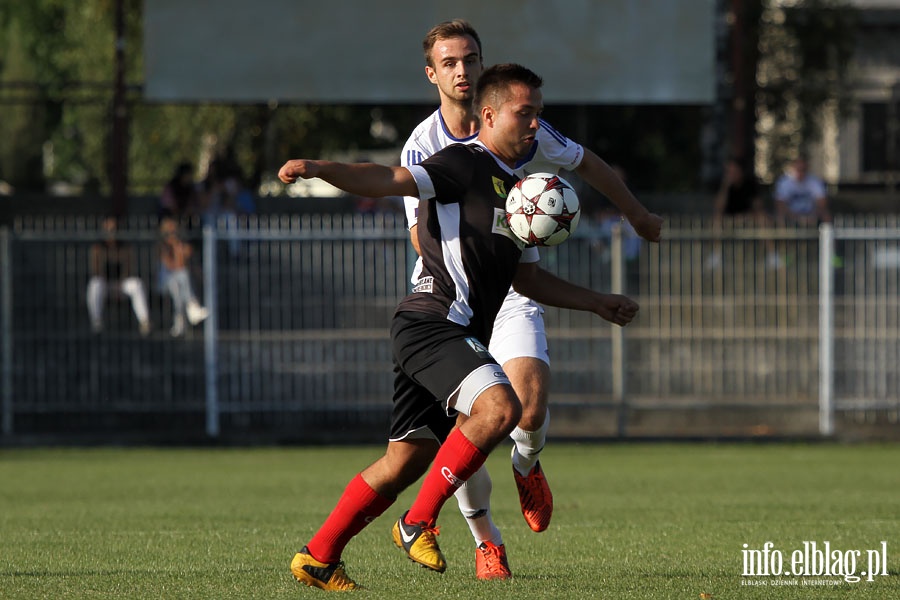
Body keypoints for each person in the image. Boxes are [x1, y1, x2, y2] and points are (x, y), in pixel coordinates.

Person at [278, 63, 641, 591]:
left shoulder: (519, 192)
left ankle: (318, 556)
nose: (536, 124)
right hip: (432, 323)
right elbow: (388, 178)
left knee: (403, 462)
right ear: (489, 115)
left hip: (443, 331)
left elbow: (528, 280)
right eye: (526, 113)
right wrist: (318, 167)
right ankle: (418, 523)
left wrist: (598, 303)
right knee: (501, 407)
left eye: (540, 114)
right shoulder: (462, 163)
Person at [397, 20, 663, 580]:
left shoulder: (520, 121)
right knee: (473, 424)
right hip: (451, 296)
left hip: (511, 286)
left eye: (470, 58)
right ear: (433, 74)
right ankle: (486, 542)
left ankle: (528, 462)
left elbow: (585, 161)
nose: (462, 70)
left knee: (530, 409)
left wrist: (635, 211)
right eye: (450, 63)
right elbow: (420, 233)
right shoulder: (423, 145)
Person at [86, 216, 151, 336]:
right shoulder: (98, 248)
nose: (111, 232)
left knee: (137, 284)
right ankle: (96, 322)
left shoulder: (125, 247)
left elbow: (130, 268)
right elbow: (95, 270)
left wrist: (120, 282)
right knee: (95, 285)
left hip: (122, 283)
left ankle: (144, 321)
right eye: (108, 229)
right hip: (105, 284)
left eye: (114, 229)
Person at [707, 156, 775, 269]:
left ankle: (772, 255)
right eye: (729, 171)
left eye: (734, 171)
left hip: (749, 217)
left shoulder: (750, 184)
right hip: (728, 219)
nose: (731, 174)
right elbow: (718, 208)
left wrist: (746, 216)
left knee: (763, 218)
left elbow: (758, 206)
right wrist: (725, 187)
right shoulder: (724, 185)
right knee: (716, 220)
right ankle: (716, 255)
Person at [157, 217, 209, 337]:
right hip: (165, 281)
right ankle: (192, 306)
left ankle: (180, 324)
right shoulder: (162, 247)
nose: (173, 235)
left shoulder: (181, 245)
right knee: (181, 277)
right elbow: (172, 266)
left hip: (178, 282)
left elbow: (185, 265)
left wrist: (179, 247)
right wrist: (177, 248)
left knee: (180, 286)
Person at [773, 156, 832, 225]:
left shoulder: (815, 181)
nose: (800, 172)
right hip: (790, 214)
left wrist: (813, 215)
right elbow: (780, 205)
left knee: (826, 216)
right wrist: (793, 216)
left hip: (811, 214)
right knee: (780, 216)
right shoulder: (784, 182)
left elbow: (822, 203)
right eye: (798, 169)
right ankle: (783, 235)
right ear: (793, 168)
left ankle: (826, 235)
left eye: (803, 169)